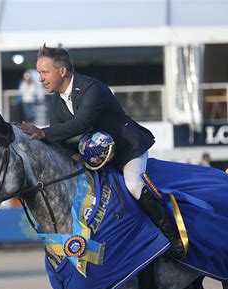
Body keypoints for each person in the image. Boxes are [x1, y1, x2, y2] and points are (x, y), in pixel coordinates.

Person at [20, 43, 185, 260]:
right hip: (97, 158)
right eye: (39, 72)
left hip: (128, 150)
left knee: (133, 185)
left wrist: (43, 133)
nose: (40, 78)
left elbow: (81, 123)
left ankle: (173, 239)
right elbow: (61, 140)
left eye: (44, 72)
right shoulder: (56, 101)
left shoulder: (91, 88)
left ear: (62, 70)